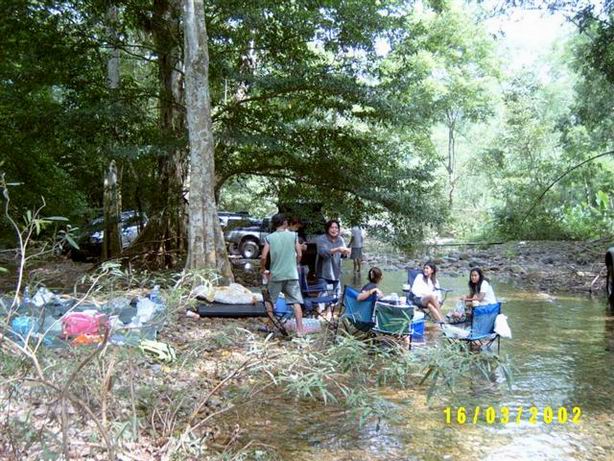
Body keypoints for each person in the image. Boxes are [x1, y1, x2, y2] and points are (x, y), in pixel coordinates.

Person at [260, 213, 305, 336]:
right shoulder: (293, 236)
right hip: (291, 274)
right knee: (296, 302)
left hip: (276, 275)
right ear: (285, 223)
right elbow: (299, 254)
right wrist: (295, 264)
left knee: (269, 300)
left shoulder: (269, 238)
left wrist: (263, 268)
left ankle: (270, 326)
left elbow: (263, 257)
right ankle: (300, 330)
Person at [316, 219, 351, 297]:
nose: (334, 230)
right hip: (323, 274)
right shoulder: (321, 239)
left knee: (335, 298)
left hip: (336, 273)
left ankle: (331, 305)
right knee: (323, 297)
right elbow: (323, 253)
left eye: (336, 228)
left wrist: (346, 252)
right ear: (327, 229)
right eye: (332, 227)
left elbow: (343, 256)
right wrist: (338, 249)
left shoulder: (340, 239)